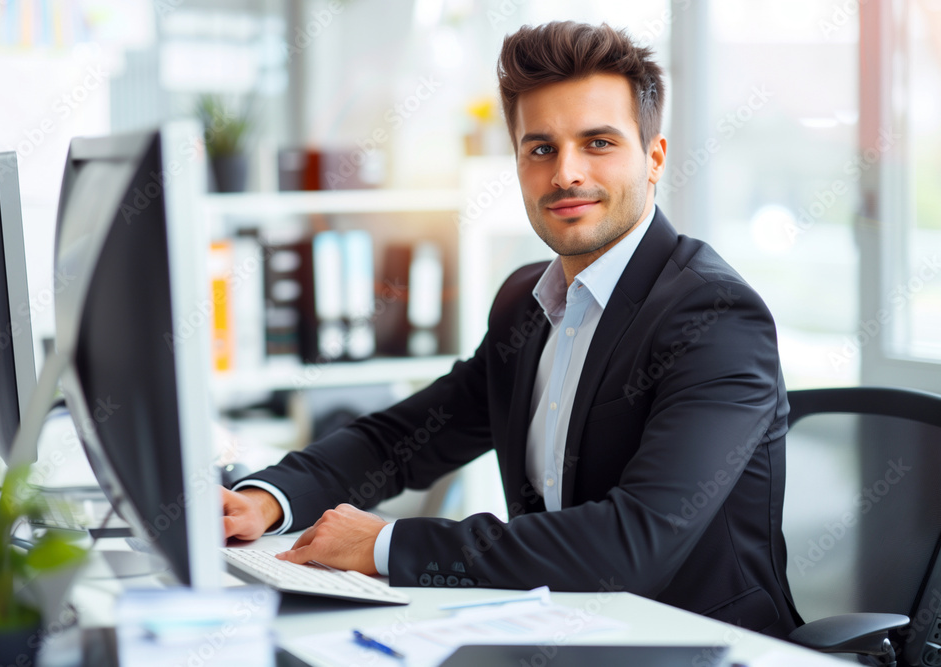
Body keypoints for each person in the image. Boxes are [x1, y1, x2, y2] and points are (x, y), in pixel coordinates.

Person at [221, 20, 802, 638]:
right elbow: (404, 439)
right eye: (541, 148)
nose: (566, 174)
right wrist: (268, 499)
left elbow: (634, 543)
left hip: (698, 644)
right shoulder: (526, 301)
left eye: (598, 143)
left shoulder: (715, 317)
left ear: (653, 158)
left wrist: (388, 544)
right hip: (559, 630)